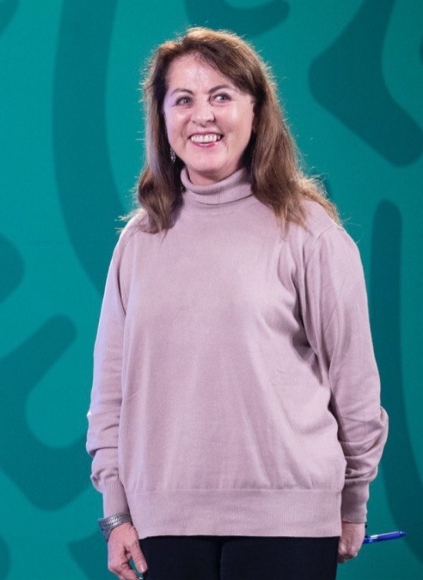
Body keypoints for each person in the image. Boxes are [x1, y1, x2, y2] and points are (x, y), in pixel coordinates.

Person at [86, 27, 389, 580]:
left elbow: (355, 387)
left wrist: (352, 504)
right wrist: (116, 513)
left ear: (256, 110)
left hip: (289, 527)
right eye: (184, 99)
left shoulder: (309, 233)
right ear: (163, 119)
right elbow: (111, 396)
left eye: (221, 96)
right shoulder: (138, 242)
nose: (202, 115)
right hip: (163, 527)